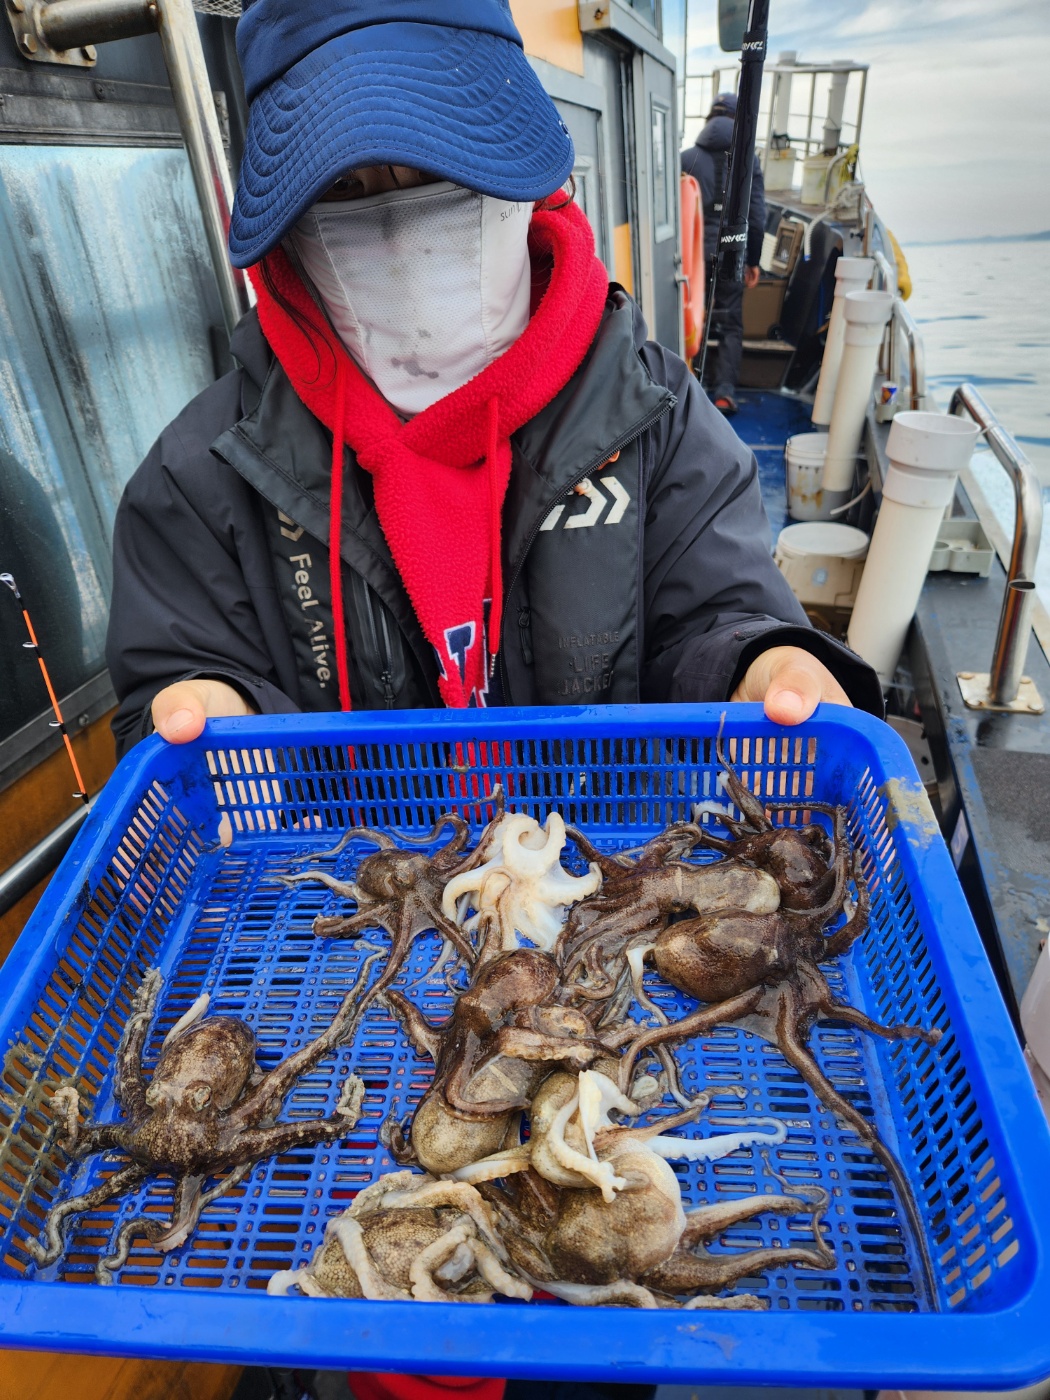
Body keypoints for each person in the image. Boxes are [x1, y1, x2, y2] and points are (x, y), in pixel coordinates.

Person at [103, 2, 880, 1391]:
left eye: (433, 171)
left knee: (597, 1312)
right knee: (378, 1315)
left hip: (601, 904)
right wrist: (201, 702)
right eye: (348, 189)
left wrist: (767, 662)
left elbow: (715, 610)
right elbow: (176, 685)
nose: (396, 218)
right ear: (286, 224)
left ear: (518, 172)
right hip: (349, 948)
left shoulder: (657, 418)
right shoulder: (201, 472)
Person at [680, 92, 766, 415]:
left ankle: (689, 389)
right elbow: (756, 216)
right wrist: (753, 260)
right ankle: (724, 393)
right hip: (732, 253)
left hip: (694, 256)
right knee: (730, 323)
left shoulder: (686, 158)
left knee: (692, 316)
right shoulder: (748, 161)